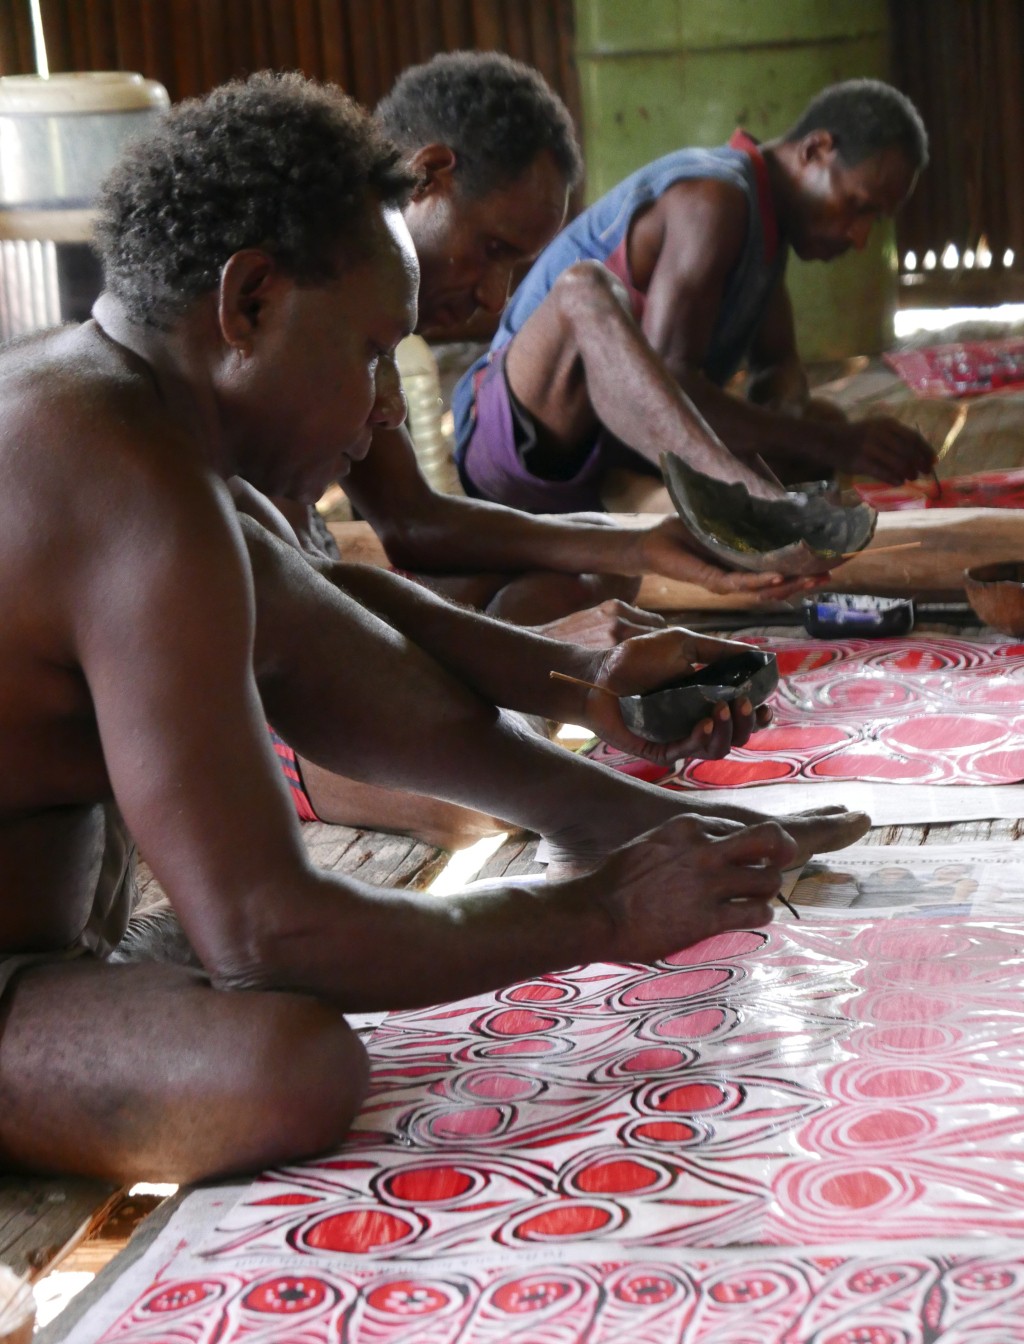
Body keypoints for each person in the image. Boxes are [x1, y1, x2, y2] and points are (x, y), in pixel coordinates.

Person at [0, 74, 869, 1187]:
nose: (377, 411)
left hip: (59, 945)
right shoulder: (126, 482)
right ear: (249, 301)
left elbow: (339, 607)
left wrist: (586, 682)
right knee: (285, 1065)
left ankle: (599, 813)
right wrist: (602, 910)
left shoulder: (134, 419)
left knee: (284, 584)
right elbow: (270, 936)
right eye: (369, 352)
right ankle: (606, 845)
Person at [305, 52, 820, 649]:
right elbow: (290, 612)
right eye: (493, 247)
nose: (496, 297)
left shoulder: (364, 306)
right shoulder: (307, 290)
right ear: (428, 178)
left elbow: (413, 521)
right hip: (279, 661)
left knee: (606, 574)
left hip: (316, 616)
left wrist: (639, 543)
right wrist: (552, 666)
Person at [454, 78, 937, 520]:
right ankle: (636, 499)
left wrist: (797, 429)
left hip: (612, 442)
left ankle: (637, 497)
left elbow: (778, 365)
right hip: (514, 439)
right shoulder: (715, 198)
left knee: (817, 429)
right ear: (815, 150)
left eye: (874, 221)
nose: (858, 237)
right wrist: (833, 444)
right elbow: (672, 383)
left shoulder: (767, 229)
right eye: (858, 206)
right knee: (817, 440)